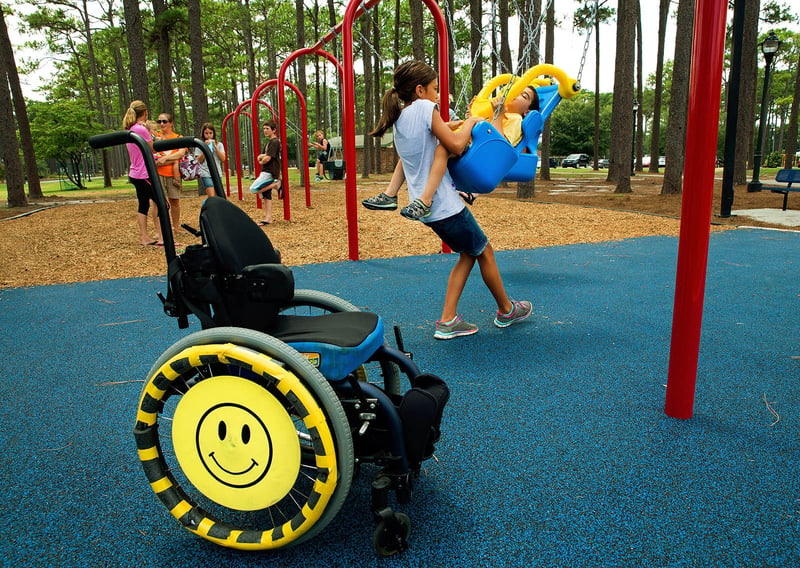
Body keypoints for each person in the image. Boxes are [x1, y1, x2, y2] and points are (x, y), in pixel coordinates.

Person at [369, 60, 532, 339]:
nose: (437, 95)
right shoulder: (423, 107)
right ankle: (506, 310)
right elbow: (455, 144)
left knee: (469, 253)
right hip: (444, 204)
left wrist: (458, 123)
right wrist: (469, 122)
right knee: (485, 250)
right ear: (420, 90)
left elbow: (433, 137)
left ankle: (449, 319)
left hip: (428, 208)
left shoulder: (401, 118)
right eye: (434, 89)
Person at [363, 85, 539, 219]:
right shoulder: (495, 113)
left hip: (482, 156)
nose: (516, 94)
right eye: (516, 90)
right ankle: (390, 194)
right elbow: (480, 129)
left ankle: (425, 201)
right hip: (469, 144)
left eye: (524, 95)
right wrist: (472, 117)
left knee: (442, 149)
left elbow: (499, 148)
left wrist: (499, 115)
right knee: (412, 151)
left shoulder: (516, 120)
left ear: (527, 111)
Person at [121, 101, 163, 246]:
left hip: (135, 173)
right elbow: (153, 149)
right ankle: (163, 238)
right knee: (162, 204)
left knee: (143, 204)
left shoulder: (131, 128)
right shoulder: (141, 129)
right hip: (145, 173)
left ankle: (144, 238)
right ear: (145, 113)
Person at [154, 113, 185, 235]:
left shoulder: (178, 137)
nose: (162, 124)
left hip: (173, 175)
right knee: (159, 202)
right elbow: (153, 153)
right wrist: (172, 159)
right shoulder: (155, 137)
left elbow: (181, 153)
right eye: (159, 121)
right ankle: (161, 230)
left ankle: (176, 227)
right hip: (158, 174)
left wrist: (165, 159)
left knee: (175, 201)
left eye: (164, 121)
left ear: (171, 123)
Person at [249, 119, 282, 226]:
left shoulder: (275, 142)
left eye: (267, 129)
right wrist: (261, 157)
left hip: (269, 172)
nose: (265, 131)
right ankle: (268, 218)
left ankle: (275, 184)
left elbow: (267, 158)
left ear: (274, 130)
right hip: (266, 171)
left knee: (254, 189)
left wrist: (261, 160)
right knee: (266, 195)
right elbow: (262, 156)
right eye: (264, 129)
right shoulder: (269, 142)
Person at [195, 122, 226, 197]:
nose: (208, 135)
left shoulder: (219, 145)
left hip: (217, 173)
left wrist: (215, 147)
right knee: (211, 195)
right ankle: (210, 207)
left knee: (217, 195)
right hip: (206, 173)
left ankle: (207, 206)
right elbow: (199, 160)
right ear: (203, 134)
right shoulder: (200, 145)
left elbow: (223, 158)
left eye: (210, 133)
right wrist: (204, 147)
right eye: (206, 133)